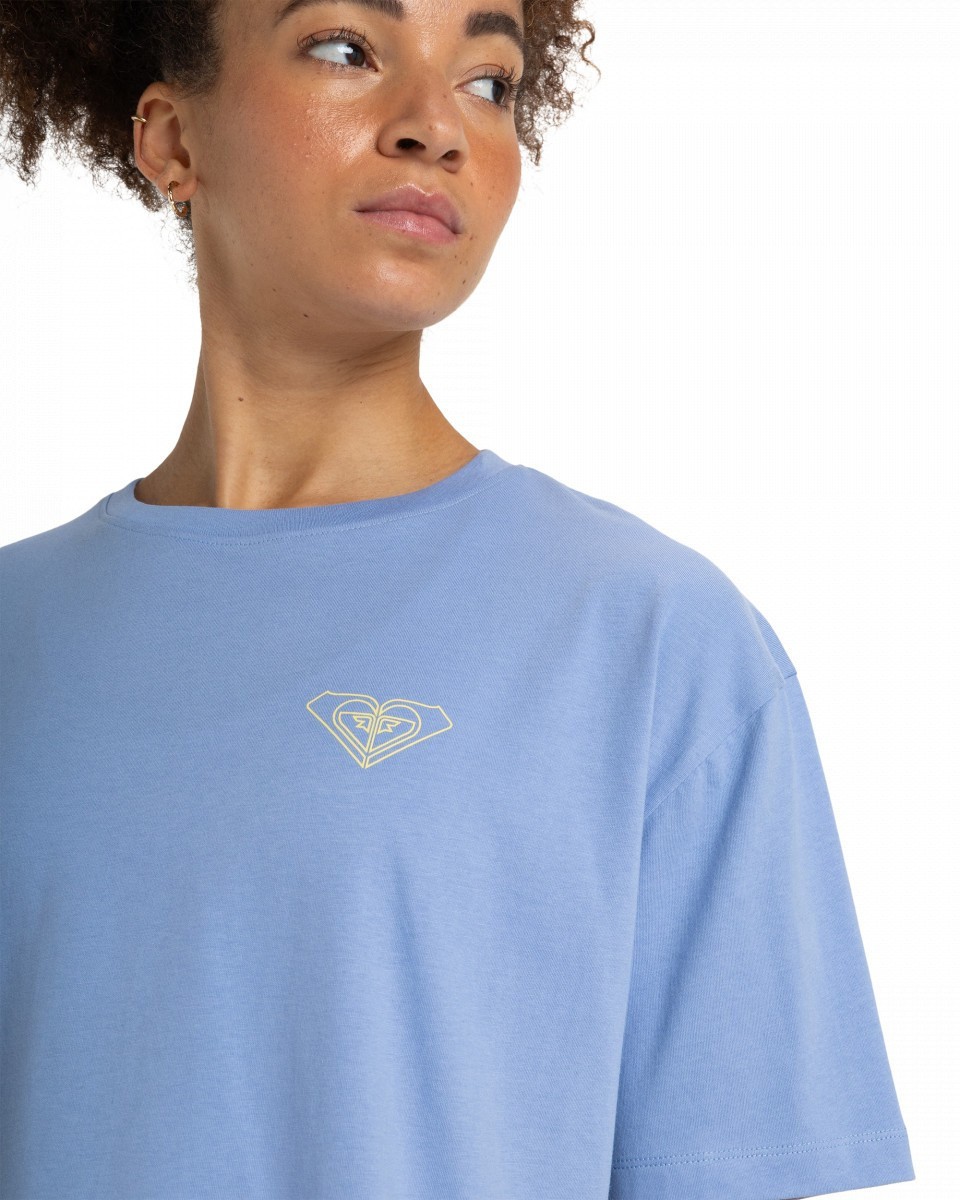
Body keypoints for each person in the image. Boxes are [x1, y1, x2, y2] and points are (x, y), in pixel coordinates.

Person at [0, 2, 915, 1198]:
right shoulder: (19, 634)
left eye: (489, 81)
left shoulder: (646, 637)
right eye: (346, 49)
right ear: (172, 139)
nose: (435, 126)